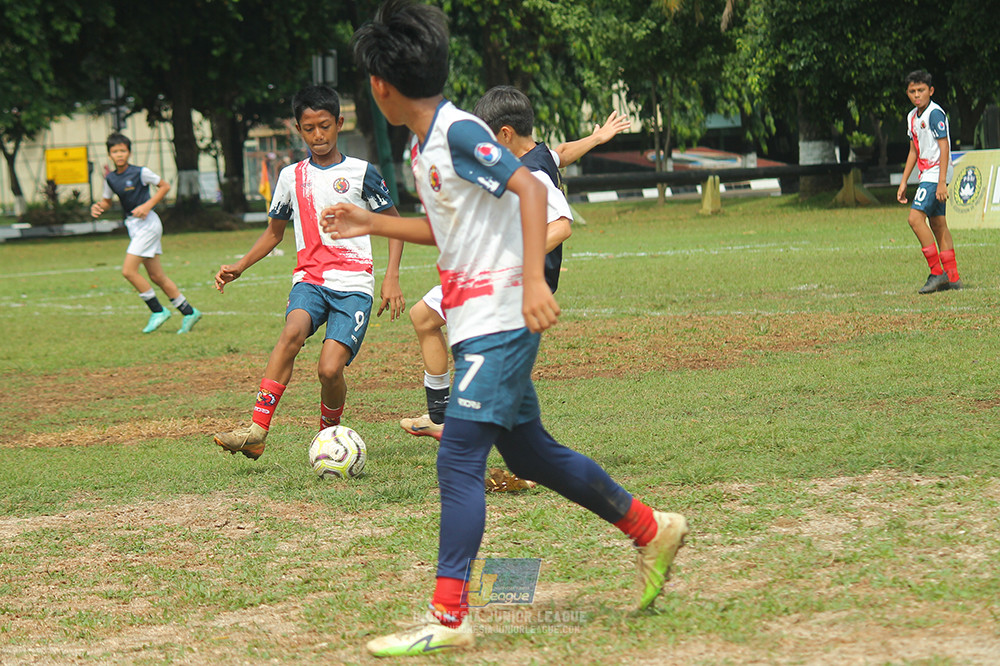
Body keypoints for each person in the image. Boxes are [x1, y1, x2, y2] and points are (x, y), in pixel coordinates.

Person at [326, 1, 688, 656]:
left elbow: (527, 190)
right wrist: (373, 224)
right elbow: (448, 229)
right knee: (529, 454)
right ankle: (651, 527)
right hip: (475, 320)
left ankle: (450, 614)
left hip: (501, 319)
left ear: (380, 86)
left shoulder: (460, 132)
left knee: (458, 456)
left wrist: (535, 281)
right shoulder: (425, 145)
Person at [400, 86, 630, 440]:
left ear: (504, 134)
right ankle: (444, 416)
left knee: (491, 365)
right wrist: (597, 138)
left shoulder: (531, 174)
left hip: (514, 281)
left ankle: (462, 426)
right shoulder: (538, 157)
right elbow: (563, 153)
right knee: (424, 317)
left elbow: (561, 227)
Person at [212, 85, 405, 460]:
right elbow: (273, 233)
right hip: (311, 280)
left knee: (329, 371)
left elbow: (394, 225)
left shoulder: (362, 173)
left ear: (339, 124)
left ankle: (327, 439)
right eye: (309, 128)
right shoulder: (290, 177)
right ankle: (256, 430)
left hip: (353, 286)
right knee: (292, 332)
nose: (318, 135)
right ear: (298, 129)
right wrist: (240, 265)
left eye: (325, 126)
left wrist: (391, 277)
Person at [91, 133, 203, 334]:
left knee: (128, 271)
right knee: (156, 275)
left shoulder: (140, 172)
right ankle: (189, 312)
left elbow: (164, 186)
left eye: (123, 151)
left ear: (129, 152)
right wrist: (99, 207)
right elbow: (107, 202)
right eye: (115, 151)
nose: (119, 155)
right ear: (109, 155)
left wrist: (147, 205)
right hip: (134, 227)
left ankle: (157, 311)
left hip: (148, 224)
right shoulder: (110, 179)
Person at [896, 69, 962, 294]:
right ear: (907, 93)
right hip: (929, 174)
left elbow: (944, 147)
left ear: (930, 91)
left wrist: (942, 181)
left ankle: (937, 272)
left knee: (915, 219)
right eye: (912, 91)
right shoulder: (912, 117)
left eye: (921, 90)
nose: (917, 95)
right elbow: (914, 150)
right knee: (938, 224)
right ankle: (952, 276)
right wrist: (905, 181)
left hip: (937, 173)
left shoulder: (934, 114)